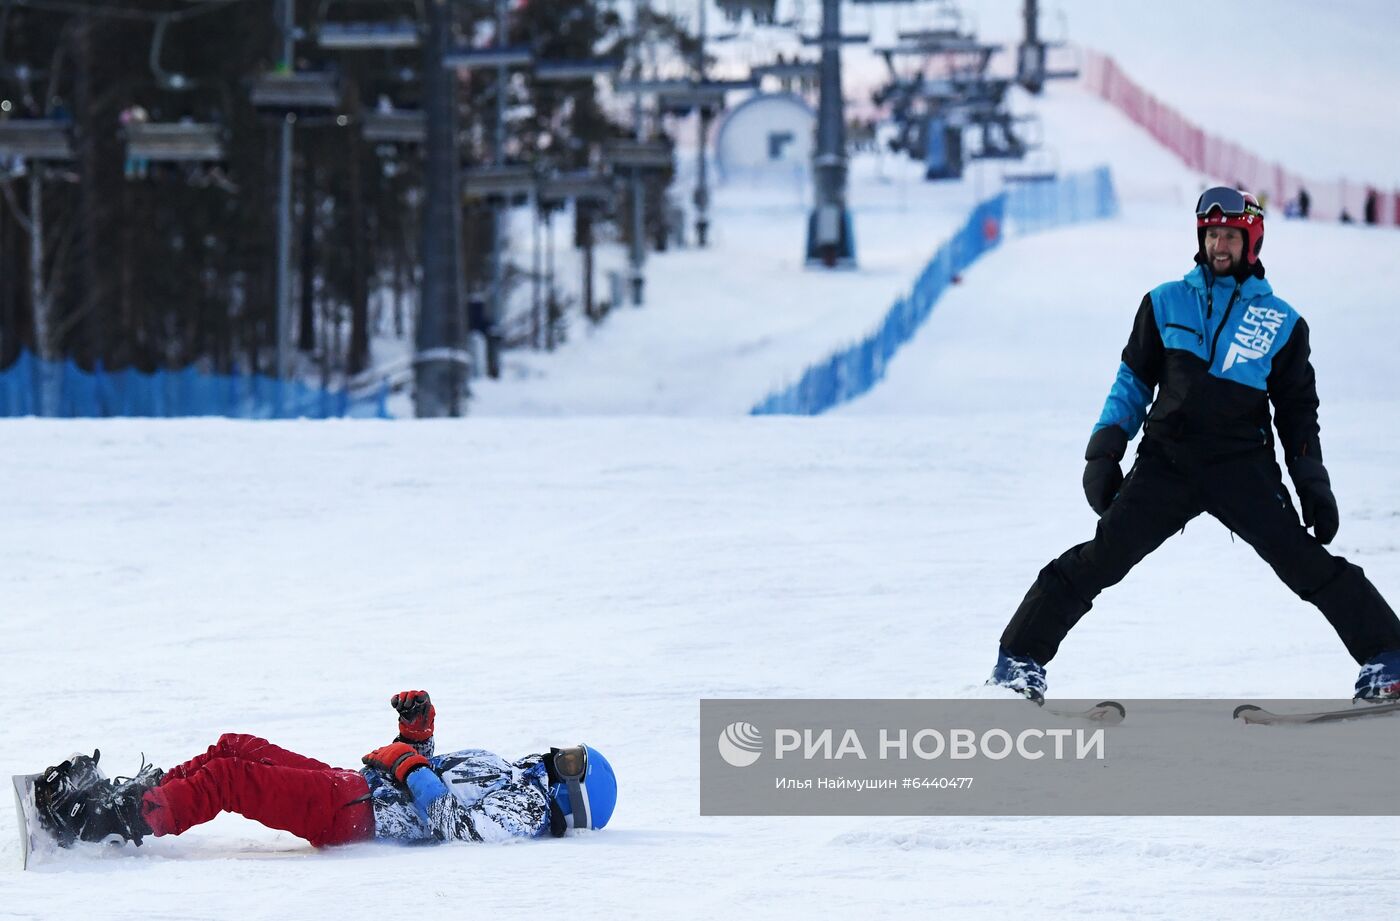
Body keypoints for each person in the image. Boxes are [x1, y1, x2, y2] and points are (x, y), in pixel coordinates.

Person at [988, 187, 1400, 702]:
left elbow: (1297, 415)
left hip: (1241, 465)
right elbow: (1132, 383)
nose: (1219, 246)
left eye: (1231, 236)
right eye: (1212, 235)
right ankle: (1018, 662)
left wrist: (1312, 483)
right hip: (1167, 461)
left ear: (1252, 242)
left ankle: (1388, 659)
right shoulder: (1164, 302)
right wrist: (1104, 452)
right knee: (1103, 556)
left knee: (1302, 560)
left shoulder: (1281, 323)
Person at [28, 690, 617, 852]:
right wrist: (418, 737)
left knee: (233, 779)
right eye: (570, 752)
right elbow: (425, 774)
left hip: (355, 813)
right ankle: (137, 794)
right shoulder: (512, 776)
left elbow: (452, 825)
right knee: (237, 745)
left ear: (575, 794)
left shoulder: (530, 811)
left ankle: (112, 822)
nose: (558, 756)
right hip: (358, 789)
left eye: (572, 763)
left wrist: (411, 763)